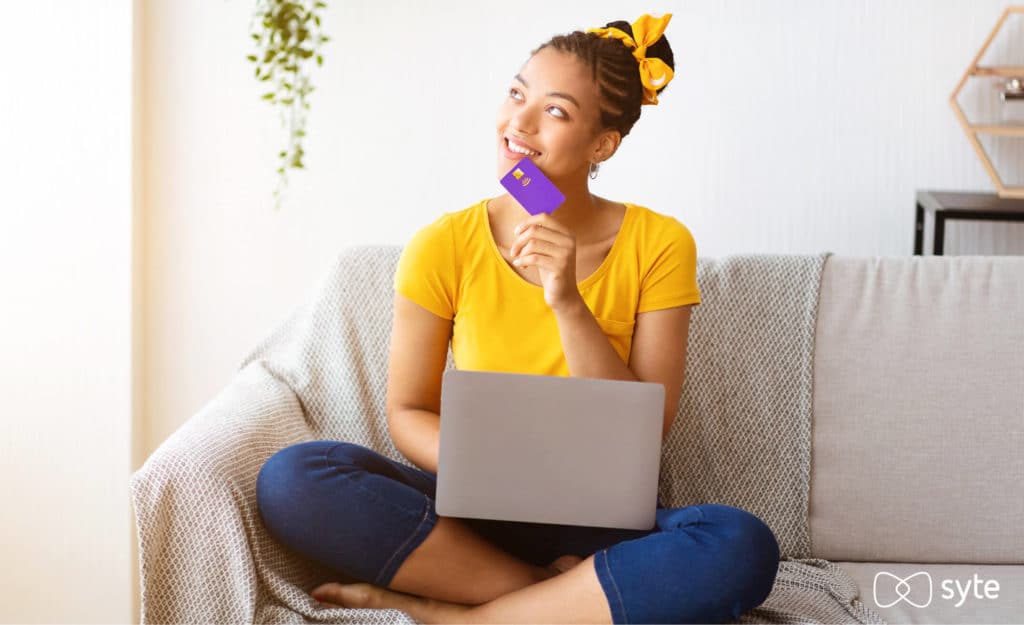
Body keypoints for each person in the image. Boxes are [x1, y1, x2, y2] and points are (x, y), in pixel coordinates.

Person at [255, 13, 780, 624]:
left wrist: (566, 301)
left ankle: (473, 617)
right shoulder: (443, 244)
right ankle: (542, 595)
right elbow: (407, 412)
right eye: (516, 94)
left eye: (555, 112)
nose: (519, 124)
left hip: (602, 528)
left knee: (739, 544)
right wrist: (498, 467)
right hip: (469, 520)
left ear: (603, 145)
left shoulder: (660, 243)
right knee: (294, 478)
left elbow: (644, 433)